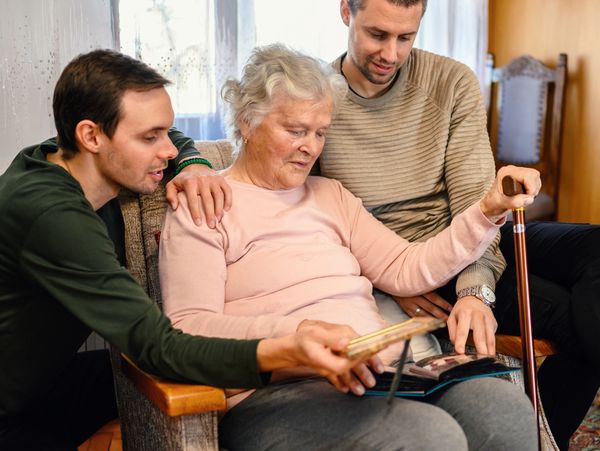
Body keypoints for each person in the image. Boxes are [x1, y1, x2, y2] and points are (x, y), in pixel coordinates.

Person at [159, 43, 538, 450]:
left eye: (320, 132)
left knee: (505, 410)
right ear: (246, 123)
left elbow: (407, 268)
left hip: (389, 373)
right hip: (279, 392)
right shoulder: (204, 205)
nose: (311, 147)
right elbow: (189, 328)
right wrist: (298, 335)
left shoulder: (331, 195)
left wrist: (487, 208)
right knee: (428, 437)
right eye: (295, 130)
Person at [0, 49, 379, 450]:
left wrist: (194, 164)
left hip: (47, 379)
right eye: (150, 138)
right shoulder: (52, 215)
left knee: (125, 374)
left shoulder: (64, 156)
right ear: (91, 135)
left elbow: (176, 143)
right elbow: (158, 345)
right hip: (9, 413)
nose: (167, 149)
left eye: (166, 132)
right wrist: (286, 348)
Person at [316, 0, 600, 448]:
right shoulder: (317, 99)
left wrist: (475, 290)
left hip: (472, 233)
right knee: (569, 316)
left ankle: (537, 435)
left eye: (406, 37)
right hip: (409, 261)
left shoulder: (450, 81)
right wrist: (393, 284)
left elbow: (475, 204)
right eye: (377, 34)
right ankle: (534, 439)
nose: (392, 53)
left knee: (594, 245)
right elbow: (313, 221)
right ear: (345, 13)